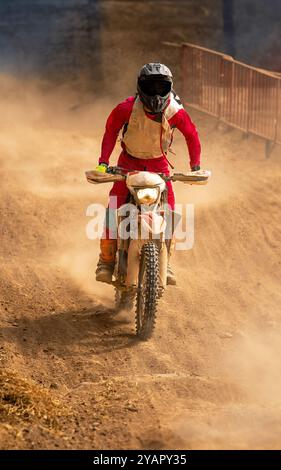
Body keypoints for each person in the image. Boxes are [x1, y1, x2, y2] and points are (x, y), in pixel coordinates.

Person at [95, 62, 201, 285]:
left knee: (170, 212)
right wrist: (103, 163)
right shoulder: (125, 108)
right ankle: (105, 260)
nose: (155, 92)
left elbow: (192, 135)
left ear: (169, 88)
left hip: (159, 168)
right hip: (127, 164)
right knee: (113, 208)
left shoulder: (175, 111)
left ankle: (167, 261)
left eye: (160, 87)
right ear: (140, 87)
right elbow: (110, 132)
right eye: (149, 86)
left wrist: (196, 167)